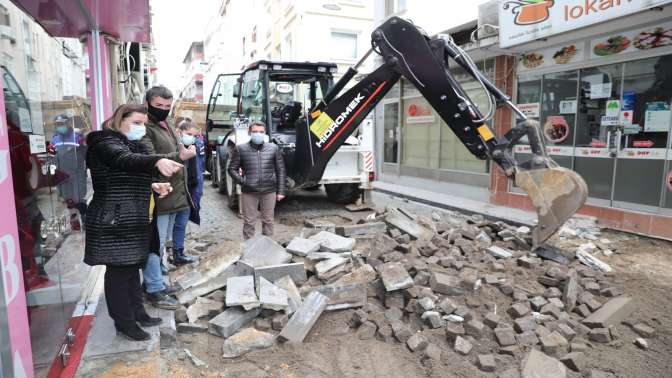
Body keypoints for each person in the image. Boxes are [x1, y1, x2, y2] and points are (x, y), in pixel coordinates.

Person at [84, 104, 182, 341]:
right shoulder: (104, 143)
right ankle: (124, 323)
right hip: (114, 219)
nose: (140, 128)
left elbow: (124, 175)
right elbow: (124, 161)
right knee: (118, 272)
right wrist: (157, 160)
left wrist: (153, 185)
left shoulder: (128, 143)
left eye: (143, 124)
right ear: (119, 120)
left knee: (132, 268)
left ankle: (138, 313)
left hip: (133, 217)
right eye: (136, 123)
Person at [140, 86, 196, 309]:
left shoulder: (168, 123)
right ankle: (154, 288)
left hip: (175, 193)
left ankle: (156, 282)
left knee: (162, 243)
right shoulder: (144, 126)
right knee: (155, 243)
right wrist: (178, 155)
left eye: (167, 106)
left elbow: (176, 148)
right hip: (158, 194)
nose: (163, 110)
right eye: (158, 106)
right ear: (147, 104)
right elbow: (147, 157)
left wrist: (183, 151)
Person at [228, 121, 286, 239]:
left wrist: (281, 191)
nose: (258, 134)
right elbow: (231, 169)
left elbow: (281, 170)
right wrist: (244, 181)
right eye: (255, 131)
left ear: (265, 133)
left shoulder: (273, 148)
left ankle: (267, 246)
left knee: (268, 220)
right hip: (249, 192)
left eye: (261, 132)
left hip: (269, 190)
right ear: (250, 132)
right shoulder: (241, 149)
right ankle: (249, 247)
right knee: (249, 221)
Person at [171, 119, 204, 256]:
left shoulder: (195, 147)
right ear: (179, 132)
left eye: (195, 135)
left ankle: (179, 252)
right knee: (169, 225)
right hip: (174, 191)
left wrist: (198, 191)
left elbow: (199, 170)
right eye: (189, 133)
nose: (192, 137)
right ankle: (167, 252)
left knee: (182, 223)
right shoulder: (172, 147)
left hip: (189, 190)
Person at [51, 114, 88, 231]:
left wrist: (85, 169)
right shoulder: (55, 139)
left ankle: (85, 219)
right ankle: (75, 222)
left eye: (62, 124)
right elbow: (53, 156)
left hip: (77, 175)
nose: (60, 126)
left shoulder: (77, 137)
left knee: (79, 200)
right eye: (57, 124)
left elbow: (86, 153)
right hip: (63, 176)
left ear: (68, 124)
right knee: (69, 201)